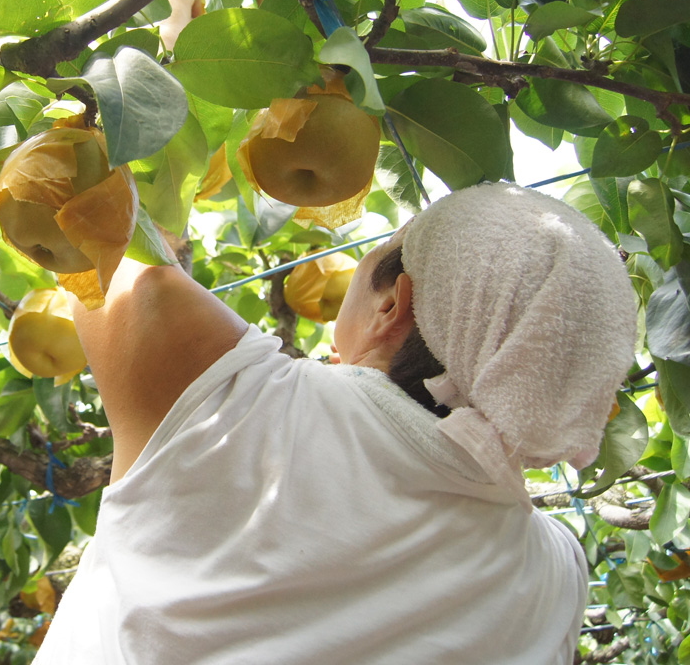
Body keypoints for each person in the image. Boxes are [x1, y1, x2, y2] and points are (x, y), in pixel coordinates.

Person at [33, 181, 638, 665]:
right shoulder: (557, 572)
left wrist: (178, 40)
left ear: (392, 304)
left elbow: (84, 204)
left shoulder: (242, 399)